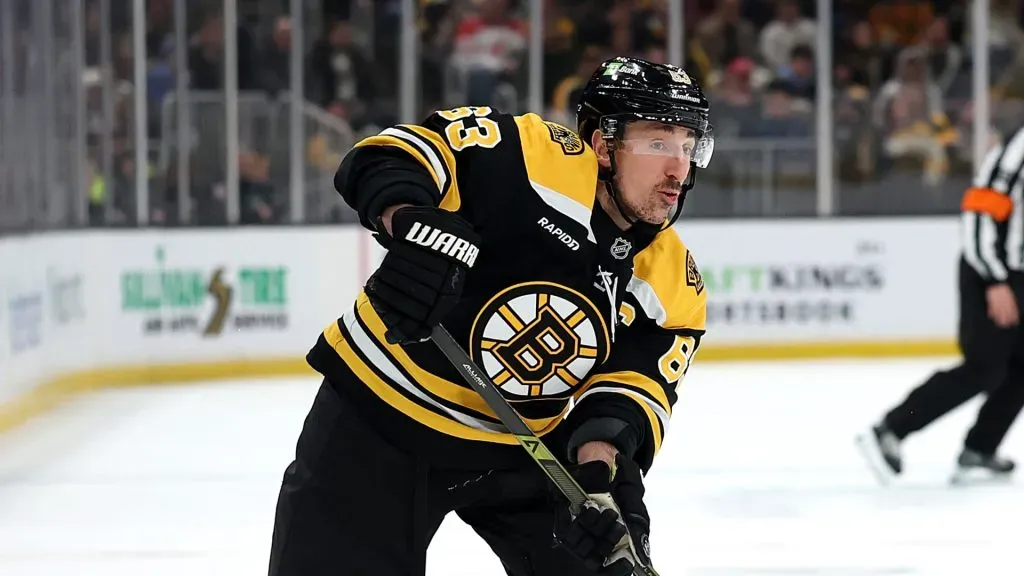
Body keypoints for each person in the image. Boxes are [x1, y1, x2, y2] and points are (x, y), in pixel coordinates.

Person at [268, 56, 713, 576]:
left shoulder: (672, 281)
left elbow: (627, 391)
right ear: (602, 144)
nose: (678, 169)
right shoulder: (526, 156)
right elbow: (389, 155)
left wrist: (599, 472)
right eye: (658, 143)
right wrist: (412, 223)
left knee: (604, 558)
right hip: (380, 419)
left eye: (688, 145)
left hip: (523, 447)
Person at [857, 124, 1024, 486]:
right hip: (993, 270)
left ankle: (980, 448)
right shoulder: (1019, 147)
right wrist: (995, 280)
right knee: (984, 367)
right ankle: (889, 430)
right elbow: (980, 212)